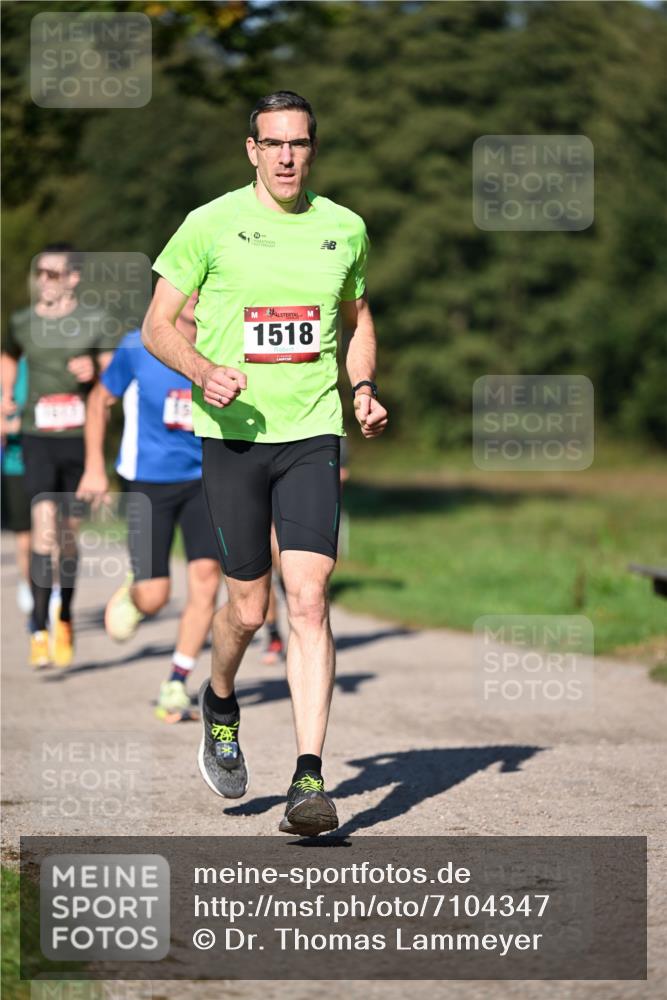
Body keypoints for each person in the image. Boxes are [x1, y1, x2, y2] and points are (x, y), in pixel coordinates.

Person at [142, 90, 388, 835]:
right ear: (251, 149)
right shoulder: (208, 224)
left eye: (299, 143)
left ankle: (308, 780)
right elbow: (156, 324)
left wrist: (365, 386)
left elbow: (357, 319)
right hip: (233, 437)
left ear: (313, 149)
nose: (286, 156)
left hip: (313, 431)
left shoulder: (344, 229)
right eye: (272, 143)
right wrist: (201, 368)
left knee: (307, 599)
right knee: (248, 609)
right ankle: (219, 699)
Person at [76, 293, 222, 722]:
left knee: (207, 578)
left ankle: (177, 680)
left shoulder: (222, 345)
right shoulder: (137, 346)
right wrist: (94, 469)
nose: (198, 296)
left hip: (205, 479)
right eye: (190, 286)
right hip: (147, 481)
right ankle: (137, 593)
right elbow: (99, 402)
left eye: (206, 285)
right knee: (156, 595)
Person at [1, 244, 115, 668]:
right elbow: (8, 358)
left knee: (67, 538)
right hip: (36, 437)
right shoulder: (22, 322)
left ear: (73, 278)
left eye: (52, 274)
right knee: (43, 530)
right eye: (40, 274)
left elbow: (112, 378)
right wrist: (5, 396)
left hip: (79, 440)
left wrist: (95, 371)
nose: (43, 282)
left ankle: (63, 614)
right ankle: (37, 624)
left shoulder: (94, 321)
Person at [1, 355, 33, 616]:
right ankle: (26, 583)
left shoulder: (41, 365)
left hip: (48, 460)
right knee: (25, 539)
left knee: (53, 536)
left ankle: (54, 593)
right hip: (15, 464)